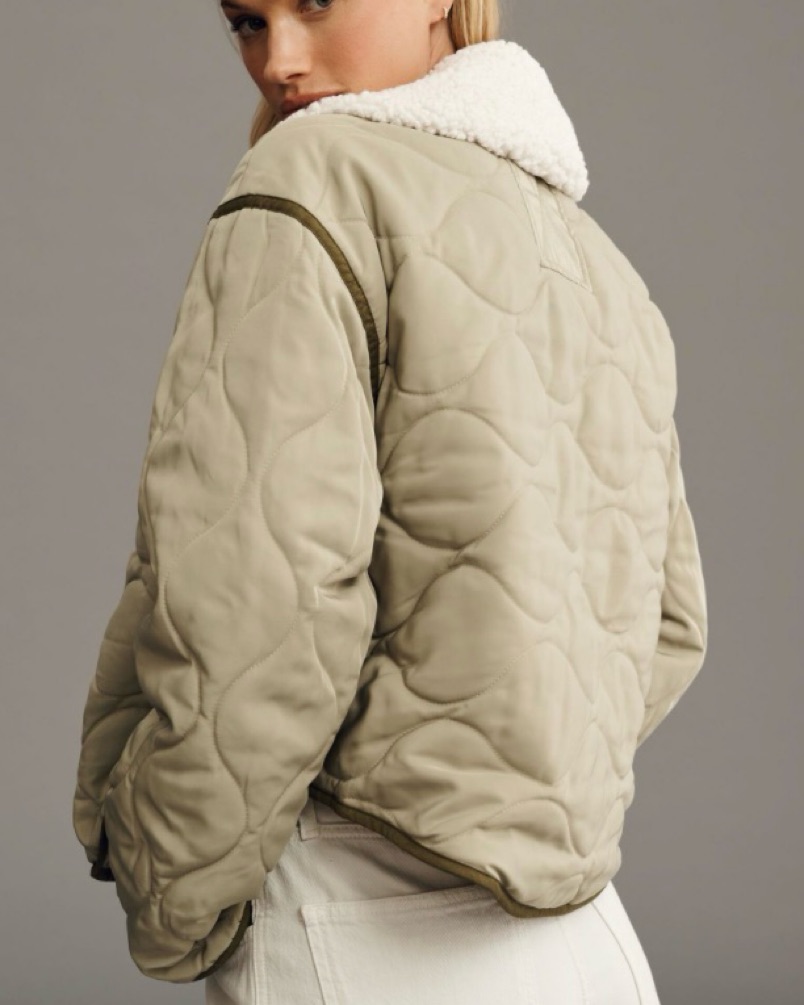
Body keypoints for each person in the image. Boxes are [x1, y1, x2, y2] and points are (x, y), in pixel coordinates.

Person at [71, 0, 709, 1001]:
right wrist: (509, 773)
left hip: (357, 915)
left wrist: (170, 892)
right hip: (587, 943)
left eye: (314, 3)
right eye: (246, 21)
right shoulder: (594, 256)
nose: (278, 60)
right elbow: (668, 623)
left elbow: (260, 611)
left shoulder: (310, 178)